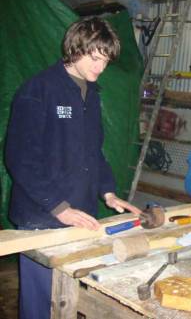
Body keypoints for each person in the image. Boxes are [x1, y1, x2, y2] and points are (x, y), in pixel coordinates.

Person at [5, 17, 142, 319]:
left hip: (79, 215)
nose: (100, 68)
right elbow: (20, 157)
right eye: (95, 58)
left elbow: (92, 153)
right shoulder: (39, 89)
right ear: (75, 49)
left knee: (67, 300)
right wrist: (58, 208)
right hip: (41, 217)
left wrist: (108, 192)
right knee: (41, 304)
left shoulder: (92, 95)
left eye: (105, 61)